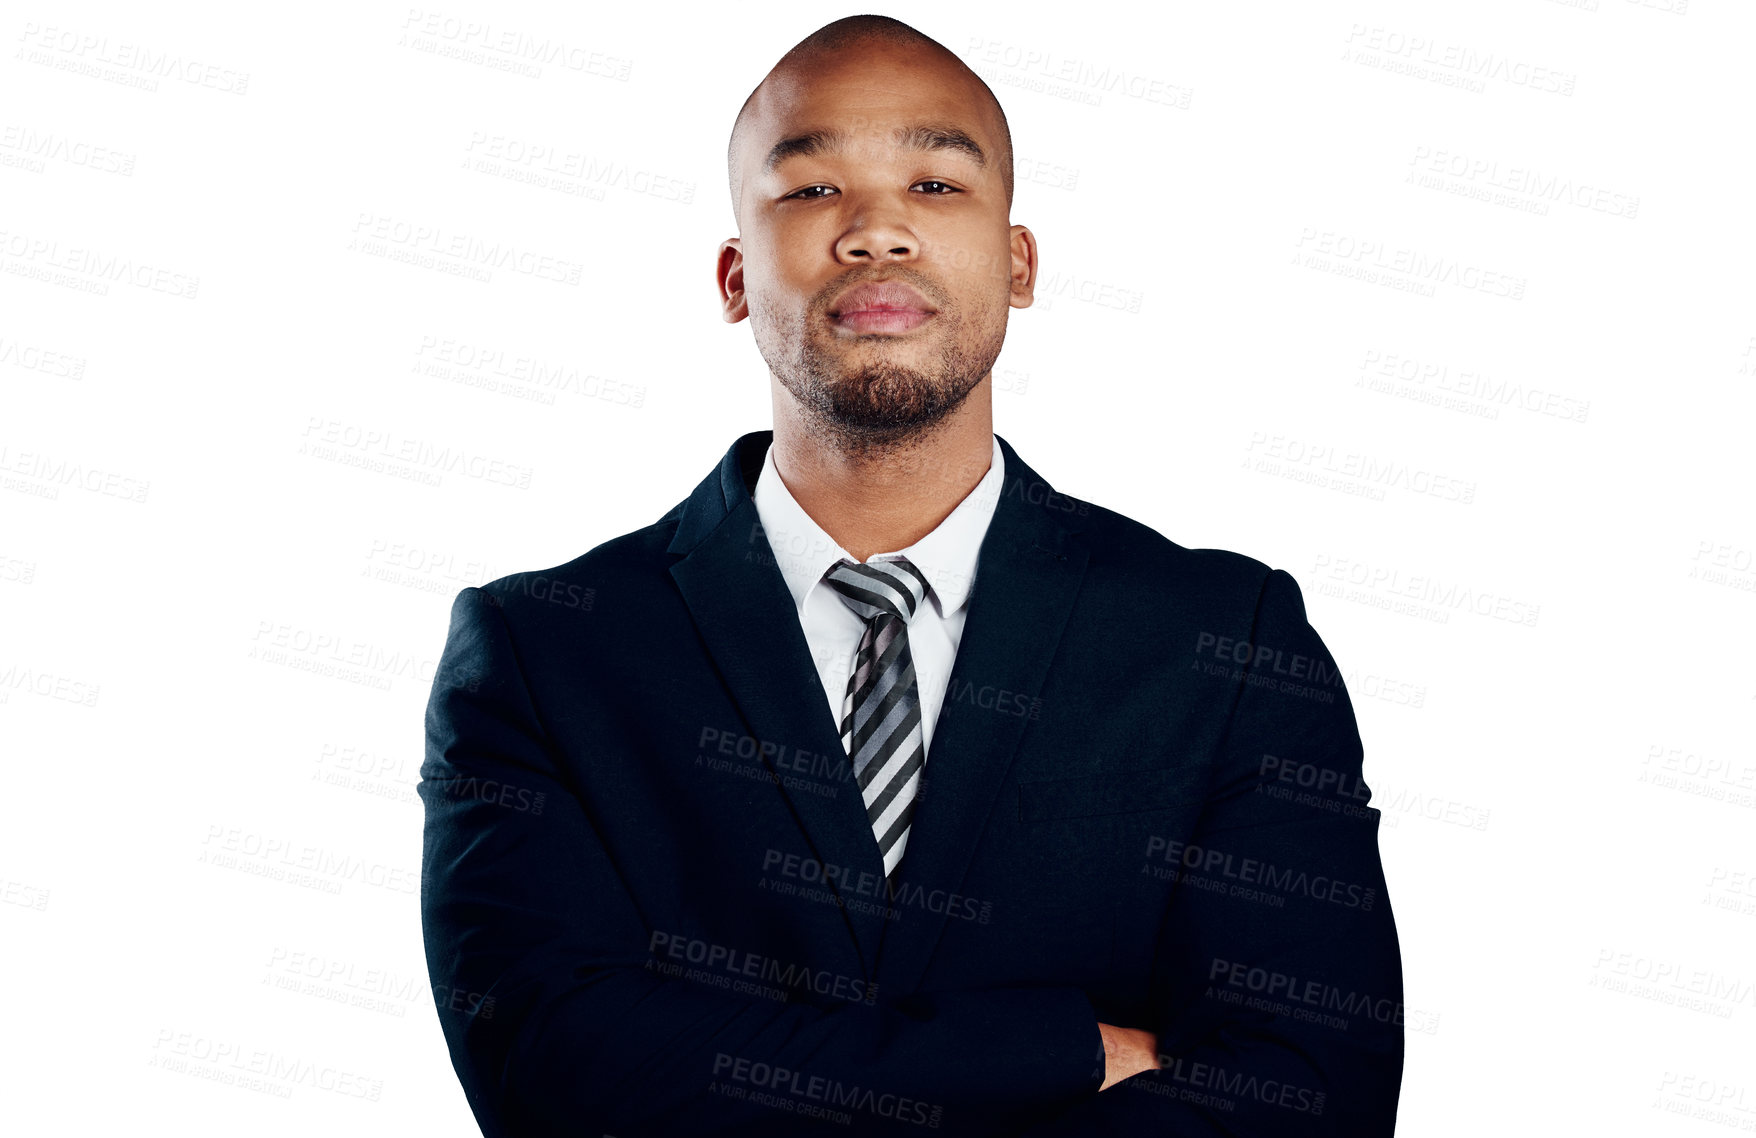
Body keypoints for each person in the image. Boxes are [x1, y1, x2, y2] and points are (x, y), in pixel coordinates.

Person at [419, 14, 1403, 1136]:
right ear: (736, 275)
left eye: (935, 186)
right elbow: (557, 1076)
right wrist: (1060, 1050)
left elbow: (1311, 1093)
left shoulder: (1225, 642)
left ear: (1018, 261)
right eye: (810, 191)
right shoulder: (546, 651)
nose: (877, 232)